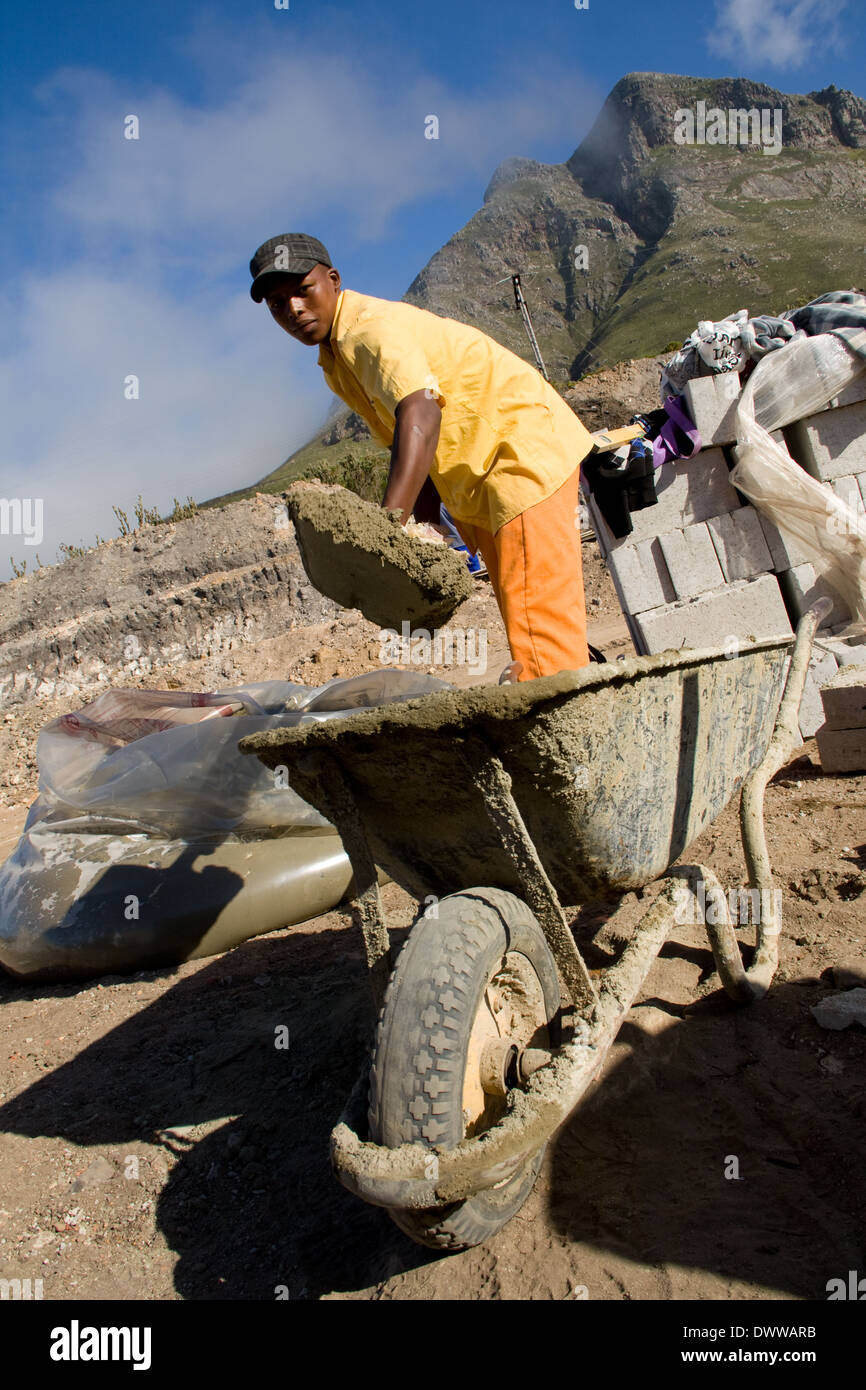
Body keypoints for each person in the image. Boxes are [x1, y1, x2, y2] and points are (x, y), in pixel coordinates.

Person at [250, 233, 595, 681]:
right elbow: (407, 438)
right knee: (528, 616)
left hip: (517, 457)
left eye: (302, 290)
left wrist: (384, 529)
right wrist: (426, 523)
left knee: (541, 635)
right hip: (482, 476)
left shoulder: (367, 331)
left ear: (332, 280)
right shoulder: (335, 360)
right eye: (277, 304)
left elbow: (420, 408)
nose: (293, 309)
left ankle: (572, 724)